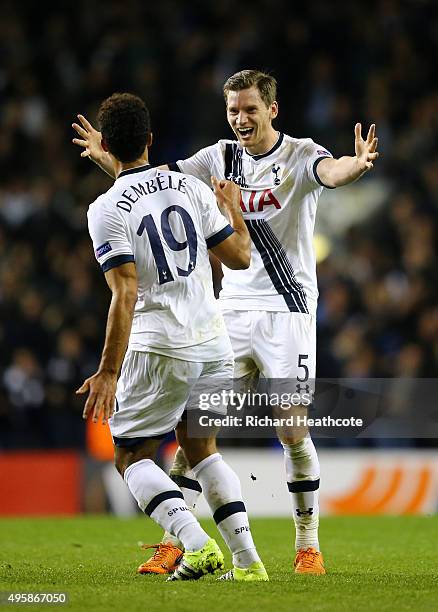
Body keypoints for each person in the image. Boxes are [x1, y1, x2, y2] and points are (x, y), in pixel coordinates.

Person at [73, 70, 379, 575]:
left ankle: (307, 544)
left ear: (272, 110)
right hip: (228, 311)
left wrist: (358, 165)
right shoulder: (214, 158)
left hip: (288, 309)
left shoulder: (301, 155)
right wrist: (112, 159)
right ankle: (180, 537)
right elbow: (157, 189)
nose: (240, 119)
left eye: (250, 109)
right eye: (234, 110)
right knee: (195, 433)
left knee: (292, 431)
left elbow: (334, 171)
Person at [75, 92, 268, 582]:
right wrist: (233, 210)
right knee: (203, 450)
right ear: (151, 139)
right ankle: (249, 565)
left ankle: (196, 544)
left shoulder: (104, 208)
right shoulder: (192, 187)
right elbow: (241, 258)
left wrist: (108, 371)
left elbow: (125, 291)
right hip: (212, 344)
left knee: (131, 456)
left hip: (158, 346)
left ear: (110, 148)